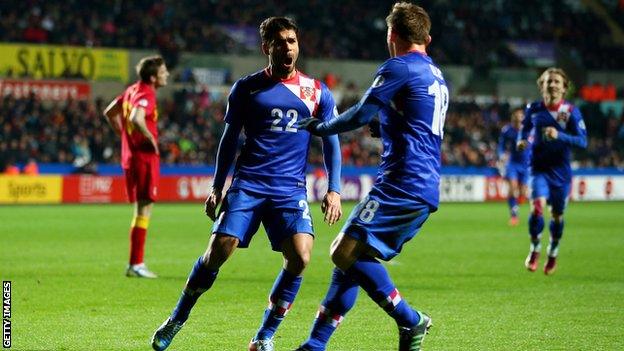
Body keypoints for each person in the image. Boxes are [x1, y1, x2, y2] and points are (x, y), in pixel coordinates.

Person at [151, 17, 342, 351]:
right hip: (249, 184)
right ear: (266, 46)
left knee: (300, 256)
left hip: (290, 190)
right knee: (218, 251)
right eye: (281, 41)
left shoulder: (316, 91)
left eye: (293, 41)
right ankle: (177, 318)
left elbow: (331, 141)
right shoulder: (247, 87)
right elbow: (229, 140)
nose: (288, 47)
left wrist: (334, 188)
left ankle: (264, 336)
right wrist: (216, 186)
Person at [296, 3, 447, 350]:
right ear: (428, 37)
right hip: (423, 182)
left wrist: (321, 127)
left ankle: (412, 321)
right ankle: (315, 344)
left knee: (342, 251)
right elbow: (413, 120)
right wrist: (387, 125)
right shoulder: (435, 74)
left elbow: (361, 112)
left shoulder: (400, 67)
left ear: (392, 35)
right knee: (351, 260)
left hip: (402, 181)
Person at [103, 55, 169, 278]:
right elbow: (136, 117)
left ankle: (135, 263)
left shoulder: (131, 90)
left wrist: (124, 137)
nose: (167, 74)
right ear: (153, 77)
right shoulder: (146, 93)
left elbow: (110, 113)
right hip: (143, 157)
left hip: (131, 156)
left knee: (141, 209)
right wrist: (149, 138)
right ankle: (136, 263)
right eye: (163, 72)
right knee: (144, 209)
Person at [517, 67, 587, 275]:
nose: (552, 84)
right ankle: (535, 248)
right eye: (549, 81)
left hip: (561, 172)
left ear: (564, 88)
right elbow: (524, 127)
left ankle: (553, 251)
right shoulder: (534, 108)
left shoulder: (571, 112)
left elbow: (583, 141)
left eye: (557, 81)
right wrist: (521, 140)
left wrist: (560, 135)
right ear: (542, 86)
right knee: (536, 208)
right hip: (538, 168)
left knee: (557, 216)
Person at [497, 108, 530, 226]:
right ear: (513, 118)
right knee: (512, 187)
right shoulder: (507, 130)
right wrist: (501, 155)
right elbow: (501, 145)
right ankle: (514, 216)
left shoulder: (528, 130)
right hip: (513, 163)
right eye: (515, 117)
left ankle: (517, 203)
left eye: (520, 117)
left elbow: (533, 144)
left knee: (523, 193)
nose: (517, 120)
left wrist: (526, 145)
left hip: (526, 164)